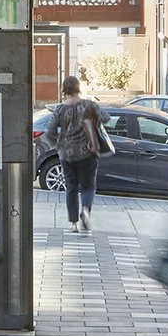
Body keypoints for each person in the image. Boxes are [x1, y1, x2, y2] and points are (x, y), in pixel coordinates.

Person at [45, 76, 106, 234]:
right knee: (88, 186)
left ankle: (74, 224)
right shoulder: (89, 105)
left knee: (71, 188)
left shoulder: (59, 109)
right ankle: (85, 210)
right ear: (78, 88)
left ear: (64, 89)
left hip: (66, 154)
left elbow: (50, 131)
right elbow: (106, 118)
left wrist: (59, 144)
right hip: (88, 152)